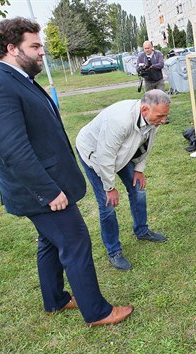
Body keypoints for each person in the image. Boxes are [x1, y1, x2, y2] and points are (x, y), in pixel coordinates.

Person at [0, 17, 133, 326]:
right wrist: (49, 192)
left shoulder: (19, 80)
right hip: (41, 191)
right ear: (11, 48)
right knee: (75, 242)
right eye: (34, 46)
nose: (41, 52)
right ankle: (97, 312)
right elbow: (13, 152)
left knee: (50, 241)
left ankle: (55, 300)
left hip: (48, 185)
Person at [76, 89, 170, 271]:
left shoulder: (152, 120)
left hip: (120, 153)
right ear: (144, 110)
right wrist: (109, 187)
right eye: (161, 116)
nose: (164, 120)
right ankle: (114, 251)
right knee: (107, 204)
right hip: (95, 155)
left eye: (165, 115)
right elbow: (105, 156)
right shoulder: (119, 121)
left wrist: (139, 169)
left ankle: (142, 230)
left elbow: (146, 146)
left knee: (138, 189)